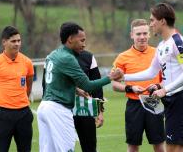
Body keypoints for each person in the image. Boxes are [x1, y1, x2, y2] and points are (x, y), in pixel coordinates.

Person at [37, 22, 122, 152]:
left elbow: (54, 82)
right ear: (70, 39)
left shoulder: (53, 55)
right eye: (81, 40)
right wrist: (110, 77)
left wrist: (76, 90)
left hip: (44, 108)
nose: (84, 44)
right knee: (67, 149)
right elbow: (88, 85)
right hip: (58, 110)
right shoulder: (68, 58)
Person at [122, 3, 183, 152]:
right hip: (172, 100)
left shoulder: (177, 42)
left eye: (152, 20)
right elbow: (150, 72)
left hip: (181, 100)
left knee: (174, 148)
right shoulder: (162, 45)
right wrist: (123, 76)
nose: (150, 25)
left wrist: (165, 89)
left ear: (162, 21)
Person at [112, 19, 165, 152]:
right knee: (133, 144)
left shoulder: (158, 53)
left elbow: (167, 79)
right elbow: (114, 83)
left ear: (149, 34)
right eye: (138, 34)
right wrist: (130, 88)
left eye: (144, 33)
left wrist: (158, 86)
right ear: (132, 35)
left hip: (154, 102)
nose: (142, 37)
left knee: (158, 143)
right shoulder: (122, 57)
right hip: (134, 105)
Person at [0, 26, 34, 152]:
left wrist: (21, 101)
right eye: (13, 41)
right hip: (2, 116)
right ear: (4, 42)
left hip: (24, 114)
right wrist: (0, 102)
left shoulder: (27, 62)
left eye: (19, 40)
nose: (17, 44)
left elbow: (28, 86)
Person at [73, 50, 105, 152]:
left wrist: (100, 111)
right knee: (63, 146)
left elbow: (97, 85)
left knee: (89, 147)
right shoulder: (57, 57)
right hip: (64, 109)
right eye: (81, 40)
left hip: (86, 108)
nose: (84, 44)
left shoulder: (88, 57)